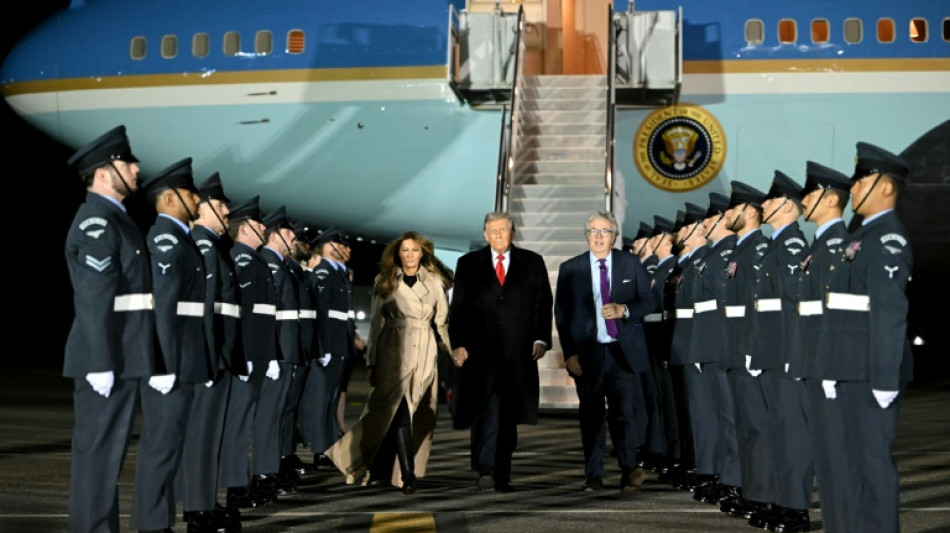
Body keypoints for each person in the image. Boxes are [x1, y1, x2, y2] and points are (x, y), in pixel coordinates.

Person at [817, 142, 913, 533]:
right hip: (850, 366)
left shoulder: (889, 239)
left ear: (885, 187)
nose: (852, 189)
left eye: (861, 181)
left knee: (872, 464)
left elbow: (889, 313)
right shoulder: (862, 237)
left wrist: (885, 379)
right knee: (853, 461)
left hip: (871, 372)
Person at [64, 125, 153, 533]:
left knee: (108, 461)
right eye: (127, 162)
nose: (136, 169)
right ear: (103, 172)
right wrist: (100, 361)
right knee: (97, 462)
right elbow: (94, 298)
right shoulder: (97, 224)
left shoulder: (117, 220)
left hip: (124, 356)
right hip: (108, 359)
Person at [325, 231, 453, 494]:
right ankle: (408, 476)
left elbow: (442, 322)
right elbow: (376, 326)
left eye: (414, 250)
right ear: (397, 253)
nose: (409, 255)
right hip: (393, 352)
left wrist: (454, 352)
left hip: (424, 353)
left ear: (423, 253)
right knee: (399, 412)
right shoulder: (385, 281)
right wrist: (371, 363)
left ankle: (382, 469)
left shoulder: (435, 282)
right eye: (404, 250)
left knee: (412, 416)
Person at [131, 157, 213, 533]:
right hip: (171, 362)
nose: (197, 200)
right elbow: (162, 307)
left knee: (171, 448)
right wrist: (161, 365)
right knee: (160, 449)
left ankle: (158, 523)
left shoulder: (181, 238)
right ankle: (151, 525)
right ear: (168, 199)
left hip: (185, 359)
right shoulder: (166, 239)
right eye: (189, 194)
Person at [449, 212, 553, 492]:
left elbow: (543, 305)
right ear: (484, 234)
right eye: (492, 230)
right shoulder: (468, 264)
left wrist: (541, 339)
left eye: (503, 230)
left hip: (517, 356)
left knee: (508, 416)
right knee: (485, 411)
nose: (498, 235)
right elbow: (457, 309)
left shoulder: (532, 262)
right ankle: (486, 469)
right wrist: (457, 343)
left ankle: (501, 471)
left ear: (512, 232)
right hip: (479, 356)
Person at [554, 210, 654, 496]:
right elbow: (562, 314)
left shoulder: (630, 263)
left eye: (604, 231)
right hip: (588, 355)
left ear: (614, 236)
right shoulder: (570, 268)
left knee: (624, 416)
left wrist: (625, 310)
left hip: (622, 354)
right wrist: (569, 354)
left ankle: (628, 470)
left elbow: (648, 301)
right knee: (591, 417)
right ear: (587, 236)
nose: (599, 236)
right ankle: (593, 476)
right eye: (594, 232)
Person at [746, 170, 810, 531]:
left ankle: (796, 508)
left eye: (770, 200)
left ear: (787, 205)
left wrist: (792, 354)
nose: (764, 206)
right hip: (771, 353)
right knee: (775, 431)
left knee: (792, 435)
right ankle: (781, 500)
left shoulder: (792, 247)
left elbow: (795, 307)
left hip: (785, 354)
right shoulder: (775, 245)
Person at [181, 172, 243, 533]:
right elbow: (204, 309)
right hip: (209, 356)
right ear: (204, 209)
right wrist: (206, 356)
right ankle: (196, 507)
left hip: (219, 354)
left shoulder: (212, 246)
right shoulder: (203, 245)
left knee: (211, 436)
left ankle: (205, 500)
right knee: (200, 436)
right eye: (221, 206)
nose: (226, 212)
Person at [794, 161, 851, 533]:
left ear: (829, 199)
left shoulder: (836, 246)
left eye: (810, 193)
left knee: (838, 452)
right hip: (813, 359)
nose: (804, 200)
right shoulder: (818, 245)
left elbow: (839, 314)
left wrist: (829, 364)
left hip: (828, 362)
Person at [717, 181, 772, 521]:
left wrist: (754, 348)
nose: (728, 215)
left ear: (749, 212)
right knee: (744, 426)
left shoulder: (758, 250)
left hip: (750, 349)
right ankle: (753, 490)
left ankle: (763, 493)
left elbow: (759, 307)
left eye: (734, 209)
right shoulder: (741, 250)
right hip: (736, 347)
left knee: (759, 428)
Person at [221, 195, 277, 510]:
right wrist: (242, 355)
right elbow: (240, 314)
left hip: (257, 355)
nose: (263, 228)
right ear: (244, 229)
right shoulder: (241, 260)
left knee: (246, 421)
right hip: (247, 355)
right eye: (258, 224)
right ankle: (234, 485)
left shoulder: (253, 260)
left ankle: (240, 482)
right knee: (238, 423)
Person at [689, 192, 741, 508]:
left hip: (723, 345)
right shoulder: (714, 254)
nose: (704, 223)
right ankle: (723, 474)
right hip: (710, 345)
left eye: (710, 218)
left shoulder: (726, 255)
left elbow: (725, 307)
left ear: (723, 220)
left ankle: (733, 479)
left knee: (730, 419)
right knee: (716, 417)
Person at [257, 206, 302, 496]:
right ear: (275, 236)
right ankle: (262, 471)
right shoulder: (271, 265)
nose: (293, 236)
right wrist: (271, 353)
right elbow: (267, 315)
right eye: (288, 232)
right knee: (268, 415)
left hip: (287, 350)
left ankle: (270, 467)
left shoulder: (281, 265)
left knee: (278, 414)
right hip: (279, 351)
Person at [307, 226, 357, 466]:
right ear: (328, 247)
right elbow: (321, 315)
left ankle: (328, 446)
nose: (343, 248)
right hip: (330, 347)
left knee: (332, 400)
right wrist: (323, 347)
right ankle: (320, 449)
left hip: (341, 346)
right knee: (323, 400)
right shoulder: (324, 273)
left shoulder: (339, 273)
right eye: (338, 244)